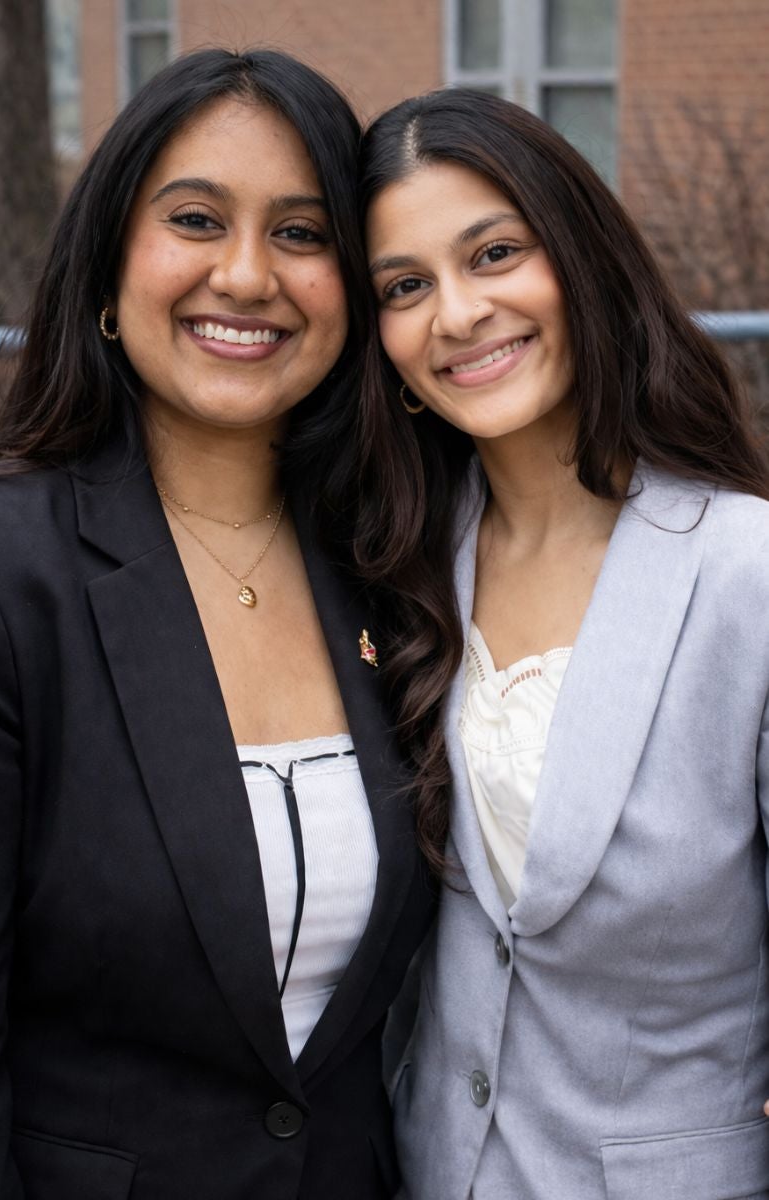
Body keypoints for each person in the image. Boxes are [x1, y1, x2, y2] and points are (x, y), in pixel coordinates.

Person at [0, 49, 434, 1200]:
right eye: (193, 218)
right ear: (107, 263)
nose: (245, 274)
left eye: (302, 232)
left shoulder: (392, 566)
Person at [352, 87, 769, 1198]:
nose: (456, 312)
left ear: (579, 255)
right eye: (405, 286)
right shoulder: (394, 573)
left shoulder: (745, 575)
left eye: (494, 253)